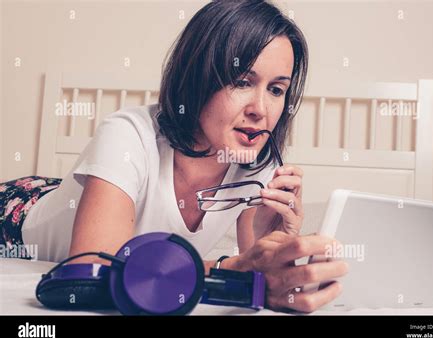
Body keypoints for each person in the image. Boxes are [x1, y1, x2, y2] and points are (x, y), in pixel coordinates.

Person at [0, 0, 348, 313]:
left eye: (276, 90)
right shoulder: (127, 134)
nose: (261, 109)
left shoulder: (259, 163)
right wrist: (230, 268)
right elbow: (95, 270)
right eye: (242, 81)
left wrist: (280, 250)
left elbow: (256, 272)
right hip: (17, 213)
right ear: (199, 78)